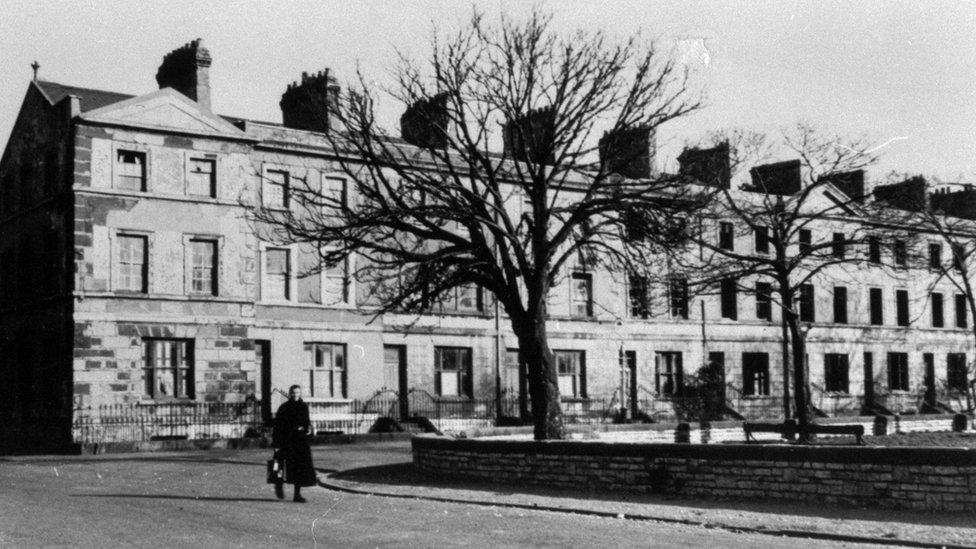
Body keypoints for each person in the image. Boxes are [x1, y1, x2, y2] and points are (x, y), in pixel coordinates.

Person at [272, 385, 317, 502]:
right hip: (286, 440)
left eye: (297, 392)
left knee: (300, 468)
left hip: (300, 441)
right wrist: (276, 444)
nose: (295, 394)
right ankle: (279, 484)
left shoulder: (303, 407)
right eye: (293, 392)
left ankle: (297, 495)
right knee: (279, 464)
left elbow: (307, 422)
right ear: (290, 393)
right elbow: (277, 427)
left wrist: (308, 430)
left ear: (300, 393)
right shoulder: (284, 407)